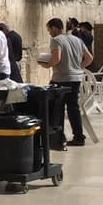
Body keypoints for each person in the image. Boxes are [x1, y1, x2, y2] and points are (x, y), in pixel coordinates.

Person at [38, 17, 92, 147]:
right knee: (73, 108)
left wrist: (46, 65)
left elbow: (56, 59)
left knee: (57, 108)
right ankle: (79, 137)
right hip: (76, 79)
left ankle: (58, 137)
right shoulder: (77, 39)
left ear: (54, 28)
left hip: (61, 79)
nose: (49, 33)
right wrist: (78, 67)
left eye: (49, 30)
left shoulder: (56, 40)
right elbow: (89, 58)